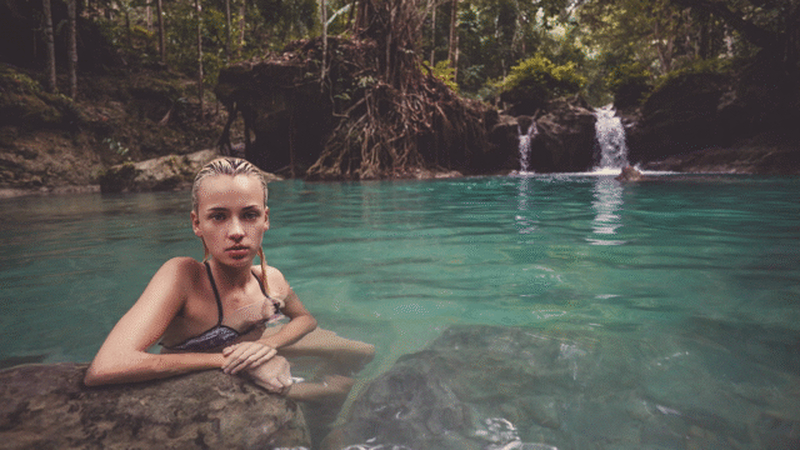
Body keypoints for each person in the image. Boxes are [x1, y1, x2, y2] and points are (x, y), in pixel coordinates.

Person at [84, 157, 374, 402]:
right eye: (219, 217)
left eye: (249, 215)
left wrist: (267, 347)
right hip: (205, 366)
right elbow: (107, 366)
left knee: (363, 351)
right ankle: (318, 397)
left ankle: (327, 400)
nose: (236, 231)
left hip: (256, 345)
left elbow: (305, 320)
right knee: (326, 390)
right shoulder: (184, 276)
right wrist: (233, 361)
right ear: (197, 223)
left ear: (266, 219)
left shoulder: (269, 279)